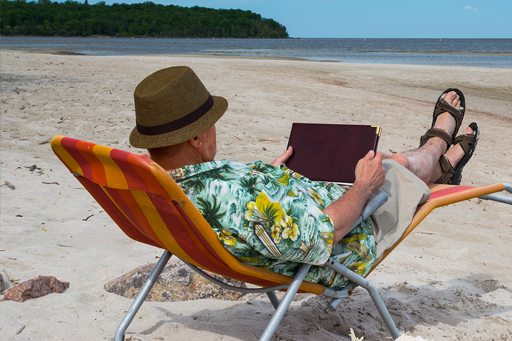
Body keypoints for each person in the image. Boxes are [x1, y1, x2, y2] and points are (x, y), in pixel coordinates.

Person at [129, 66, 479, 288]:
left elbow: (249, 212)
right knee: (390, 166)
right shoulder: (238, 203)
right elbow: (325, 234)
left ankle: (439, 157)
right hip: (350, 238)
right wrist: (362, 187)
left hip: (297, 207)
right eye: (211, 123)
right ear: (196, 138)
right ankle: (438, 148)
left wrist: (267, 176)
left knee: (376, 158)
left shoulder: (158, 183)